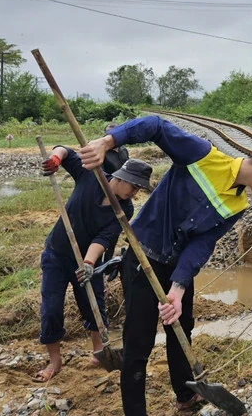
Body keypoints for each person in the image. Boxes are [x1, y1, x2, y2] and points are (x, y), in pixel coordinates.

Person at [77, 115, 252, 416]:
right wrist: (107, 142)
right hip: (142, 257)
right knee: (138, 341)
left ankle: (185, 395)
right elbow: (155, 125)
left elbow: (202, 243)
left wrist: (177, 288)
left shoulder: (238, 205)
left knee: (181, 327)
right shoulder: (202, 155)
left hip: (176, 266)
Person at [35, 149, 152, 383]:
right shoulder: (91, 175)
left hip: (88, 261)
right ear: (120, 178)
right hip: (57, 254)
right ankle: (55, 362)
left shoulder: (124, 209)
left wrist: (88, 263)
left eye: (139, 189)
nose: (135, 193)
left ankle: (100, 353)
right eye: (134, 187)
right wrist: (55, 159)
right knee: (51, 309)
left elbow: (104, 238)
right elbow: (67, 152)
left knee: (94, 305)